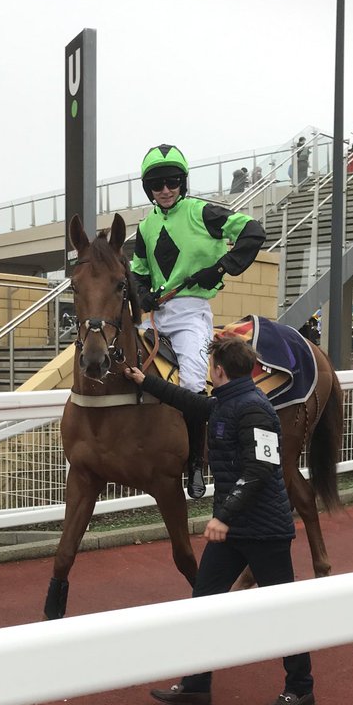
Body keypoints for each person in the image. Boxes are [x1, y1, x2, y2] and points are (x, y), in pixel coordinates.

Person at [124, 334, 315, 705]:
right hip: (235, 531)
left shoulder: (255, 410)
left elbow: (261, 468)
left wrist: (222, 516)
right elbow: (194, 404)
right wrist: (147, 382)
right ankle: (197, 686)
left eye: (211, 366)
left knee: (281, 611)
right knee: (204, 604)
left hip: (264, 531)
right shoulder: (229, 401)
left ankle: (300, 687)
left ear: (219, 371)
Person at [131, 143, 267, 499]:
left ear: (183, 182)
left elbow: (253, 230)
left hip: (191, 313)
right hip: (157, 317)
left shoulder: (201, 212)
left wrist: (219, 267)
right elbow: (139, 273)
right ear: (148, 189)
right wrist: (143, 292)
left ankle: (195, 462)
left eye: (172, 181)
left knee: (192, 384)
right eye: (157, 184)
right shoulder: (144, 228)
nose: (165, 190)